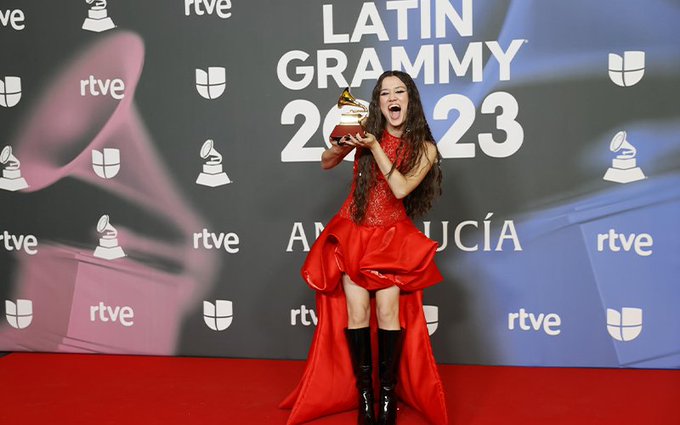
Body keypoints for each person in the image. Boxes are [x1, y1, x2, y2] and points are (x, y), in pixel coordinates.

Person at [280, 71, 448, 425]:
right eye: (385, 93)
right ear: (380, 102)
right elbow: (326, 162)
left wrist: (374, 148)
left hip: (390, 239)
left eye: (399, 91)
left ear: (410, 99)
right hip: (353, 234)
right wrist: (344, 144)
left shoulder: (425, 149)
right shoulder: (366, 131)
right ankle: (365, 398)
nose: (392, 98)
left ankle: (387, 397)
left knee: (388, 314)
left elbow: (401, 189)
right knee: (356, 315)